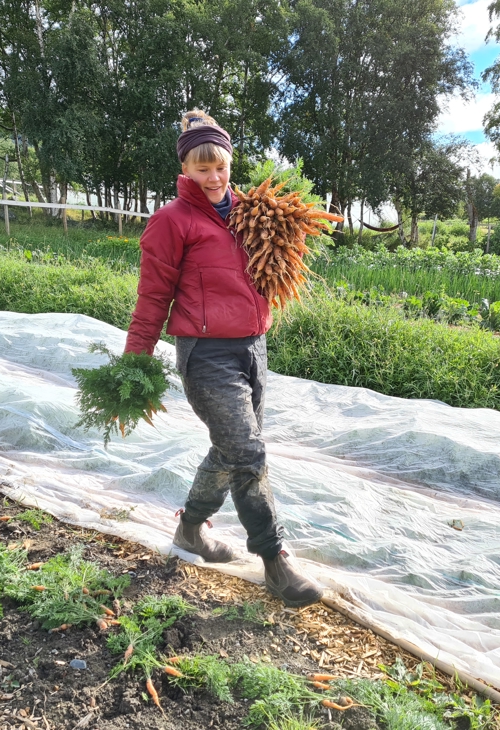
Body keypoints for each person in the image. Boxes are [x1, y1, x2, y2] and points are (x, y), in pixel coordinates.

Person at [123, 109, 322, 608]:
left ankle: (190, 529)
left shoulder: (253, 214)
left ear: (231, 164)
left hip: (253, 348)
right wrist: (135, 361)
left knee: (232, 451)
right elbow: (152, 298)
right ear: (185, 169)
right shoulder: (172, 222)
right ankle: (275, 559)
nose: (213, 177)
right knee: (248, 453)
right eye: (202, 168)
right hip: (206, 354)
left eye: (221, 166)